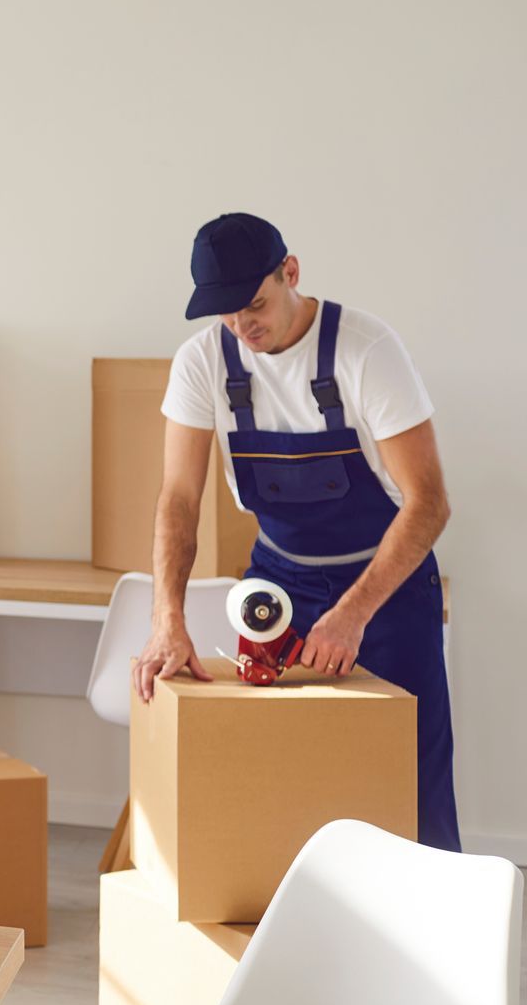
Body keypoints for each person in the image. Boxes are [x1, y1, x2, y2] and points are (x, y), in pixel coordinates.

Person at [135, 212, 457, 850]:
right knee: (273, 767)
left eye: (254, 304)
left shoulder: (365, 350)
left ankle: (433, 939)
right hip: (277, 583)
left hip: (384, 590)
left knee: (408, 772)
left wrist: (351, 613)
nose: (242, 326)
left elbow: (429, 504)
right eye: (225, 314)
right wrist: (165, 616)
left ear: (291, 273)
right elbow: (178, 498)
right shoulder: (203, 363)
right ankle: (283, 929)